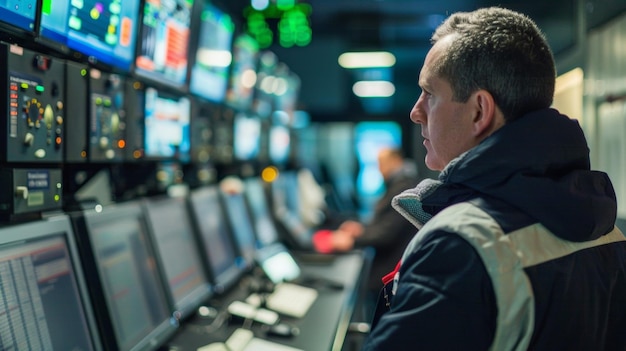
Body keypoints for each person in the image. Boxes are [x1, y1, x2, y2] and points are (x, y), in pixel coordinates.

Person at [362, 7, 626, 351]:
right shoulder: (606, 229)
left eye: (430, 94)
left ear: (479, 111)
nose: (416, 111)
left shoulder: (460, 246)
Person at [312, 147, 421, 316]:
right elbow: (385, 223)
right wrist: (361, 230)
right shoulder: (400, 182)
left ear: (395, 161)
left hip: (390, 269)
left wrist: (353, 240)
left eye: (381, 163)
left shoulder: (404, 186)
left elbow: (387, 232)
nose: (379, 168)